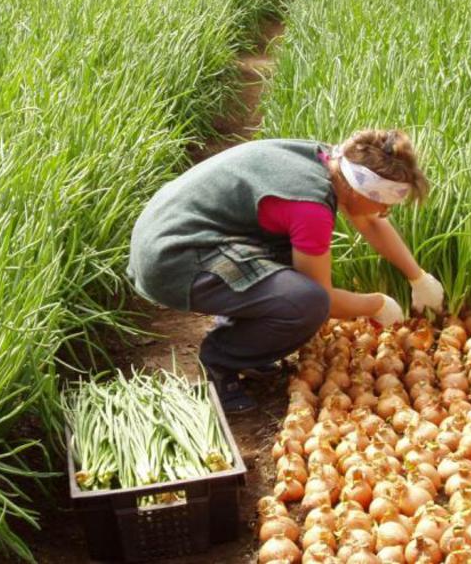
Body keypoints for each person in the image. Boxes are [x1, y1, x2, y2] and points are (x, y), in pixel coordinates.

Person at [127, 130, 444, 413]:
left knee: (291, 264)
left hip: (175, 229)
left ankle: (244, 338)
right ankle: (220, 361)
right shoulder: (310, 205)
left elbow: (371, 222)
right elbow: (325, 300)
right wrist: (376, 304)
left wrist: (418, 277)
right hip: (172, 257)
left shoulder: (332, 162)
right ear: (359, 190)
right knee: (306, 302)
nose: (385, 211)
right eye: (384, 203)